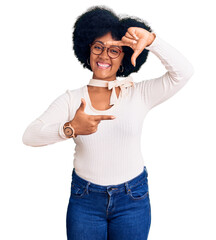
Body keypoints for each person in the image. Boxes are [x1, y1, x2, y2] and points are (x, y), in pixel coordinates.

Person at [22, 6, 194, 240]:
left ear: (125, 57)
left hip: (132, 198)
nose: (104, 56)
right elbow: (30, 135)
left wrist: (152, 41)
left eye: (114, 50)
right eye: (98, 47)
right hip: (86, 201)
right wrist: (70, 128)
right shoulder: (72, 99)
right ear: (88, 50)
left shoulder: (138, 93)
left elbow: (184, 72)